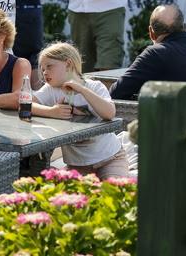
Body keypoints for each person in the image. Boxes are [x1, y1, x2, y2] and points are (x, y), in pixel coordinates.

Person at [32, 42, 128, 179]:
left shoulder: (94, 86)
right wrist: (51, 111)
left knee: (113, 193)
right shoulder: (51, 90)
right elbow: (26, 105)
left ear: (68, 64)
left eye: (49, 66)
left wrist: (82, 90)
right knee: (70, 196)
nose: (44, 72)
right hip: (77, 166)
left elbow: (109, 113)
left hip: (110, 158)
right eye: (42, 69)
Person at [109, 5, 186, 100]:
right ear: (184, 27)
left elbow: (115, 93)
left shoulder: (156, 53)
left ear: (151, 32)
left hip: (168, 121)